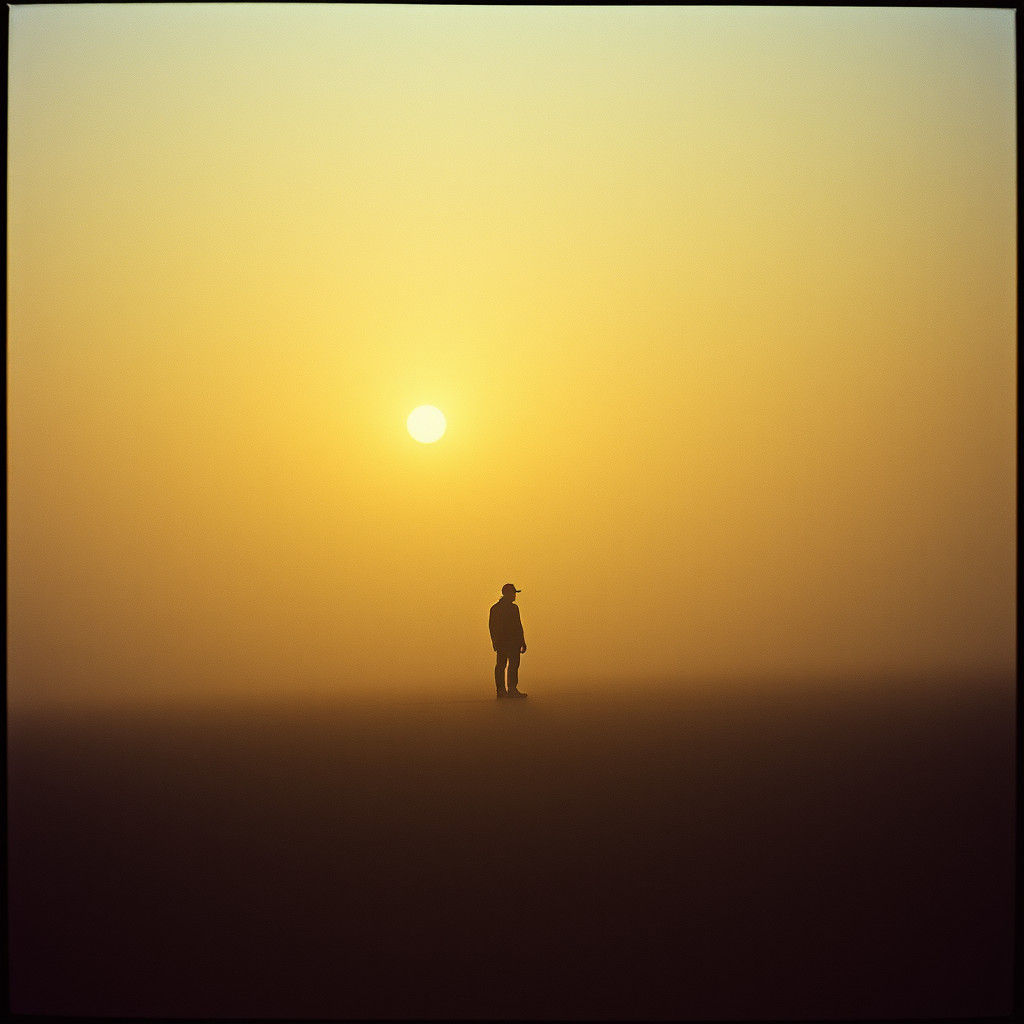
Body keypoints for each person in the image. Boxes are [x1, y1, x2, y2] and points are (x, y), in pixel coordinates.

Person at [489, 584, 527, 699]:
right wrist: (495, 641)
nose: (514, 595)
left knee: (513, 665)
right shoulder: (496, 609)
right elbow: (492, 627)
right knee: (502, 665)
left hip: (513, 642)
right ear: (506, 594)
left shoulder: (514, 608)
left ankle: (511, 690)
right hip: (503, 642)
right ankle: (502, 691)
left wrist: (522, 641)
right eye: (513, 593)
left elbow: (518, 626)